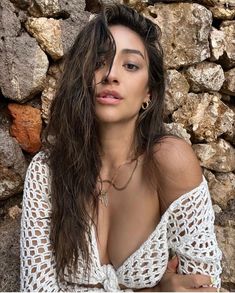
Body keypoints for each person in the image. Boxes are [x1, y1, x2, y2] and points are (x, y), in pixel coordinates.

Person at [20, 3, 222, 292]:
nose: (110, 75)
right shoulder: (48, 171)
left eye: (130, 65)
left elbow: (202, 286)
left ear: (148, 94)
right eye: (99, 62)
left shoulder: (168, 162)